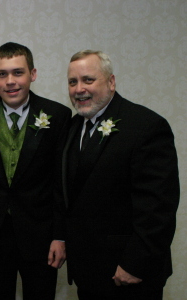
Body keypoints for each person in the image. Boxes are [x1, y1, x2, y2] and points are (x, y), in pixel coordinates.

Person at [61, 50, 180, 300]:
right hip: (88, 272)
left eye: (88, 80)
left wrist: (135, 263)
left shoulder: (146, 126)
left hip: (128, 274)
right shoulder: (73, 127)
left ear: (111, 82)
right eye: (73, 82)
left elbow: (159, 207)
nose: (79, 89)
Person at [0, 42, 71, 299]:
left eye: (18, 73)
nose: (10, 81)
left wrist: (60, 236)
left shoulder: (58, 115)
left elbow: (61, 181)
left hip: (41, 234)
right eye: (2, 74)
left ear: (32, 74)